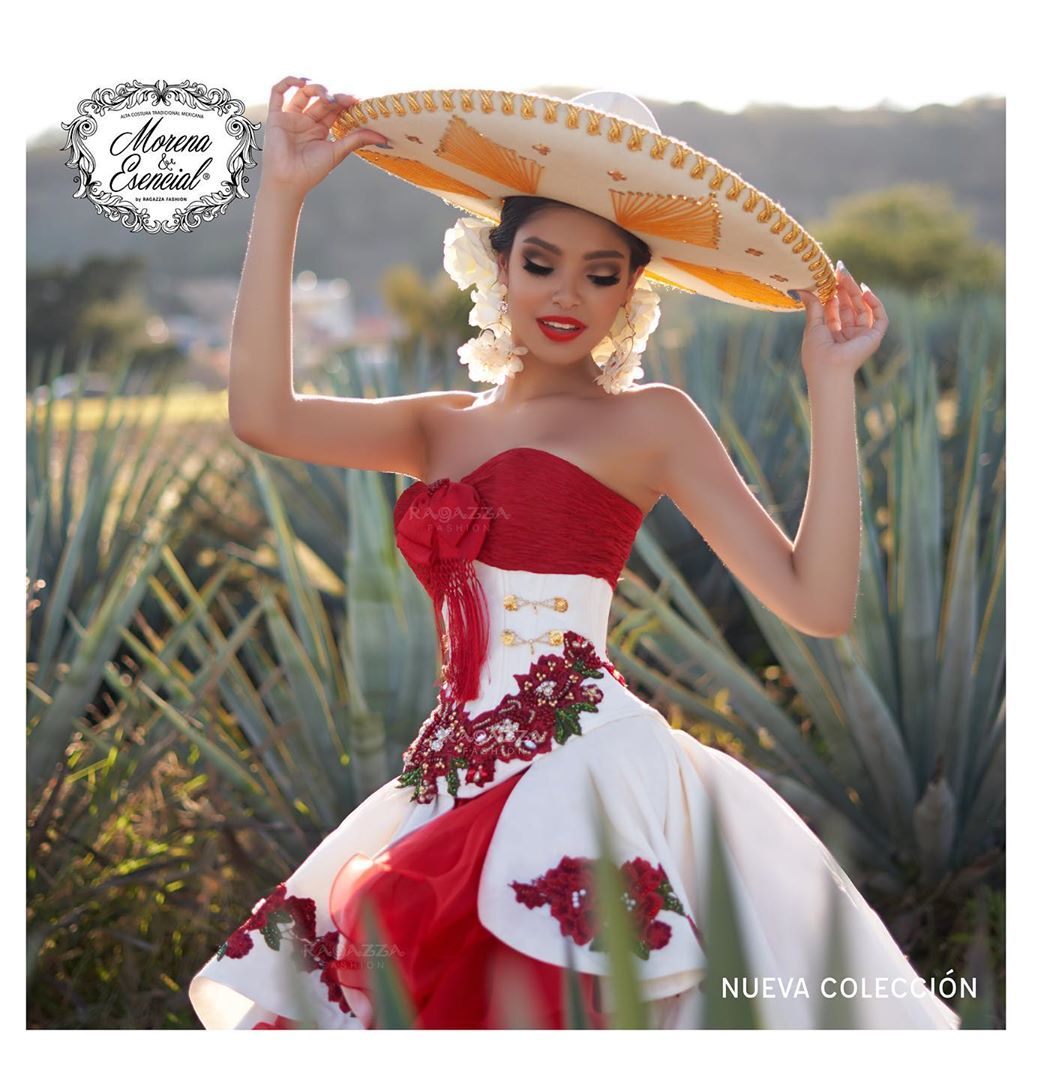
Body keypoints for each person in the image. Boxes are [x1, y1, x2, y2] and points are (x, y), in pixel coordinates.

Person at [188, 77, 961, 1030]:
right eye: (542, 262)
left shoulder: (653, 422)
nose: (567, 295)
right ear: (496, 263)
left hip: (585, 770)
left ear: (631, 291)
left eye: (602, 273)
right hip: (447, 780)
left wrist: (829, 383)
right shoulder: (438, 426)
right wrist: (282, 194)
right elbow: (261, 417)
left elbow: (819, 602)